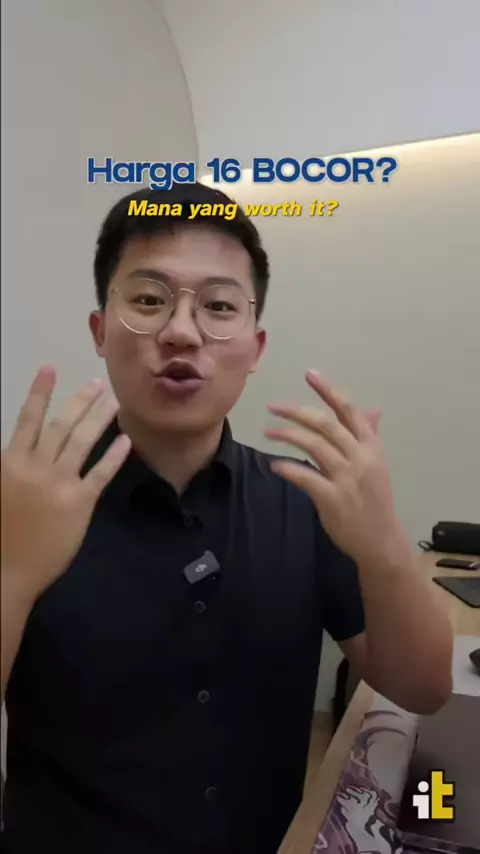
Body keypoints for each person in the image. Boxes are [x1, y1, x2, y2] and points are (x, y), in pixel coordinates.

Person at [1, 182, 453, 854]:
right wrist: (13, 575)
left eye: (217, 306)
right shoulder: (25, 501)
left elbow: (422, 688)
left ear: (256, 346)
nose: (182, 333)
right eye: (148, 300)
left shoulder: (304, 500)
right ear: (100, 331)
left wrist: (384, 543)